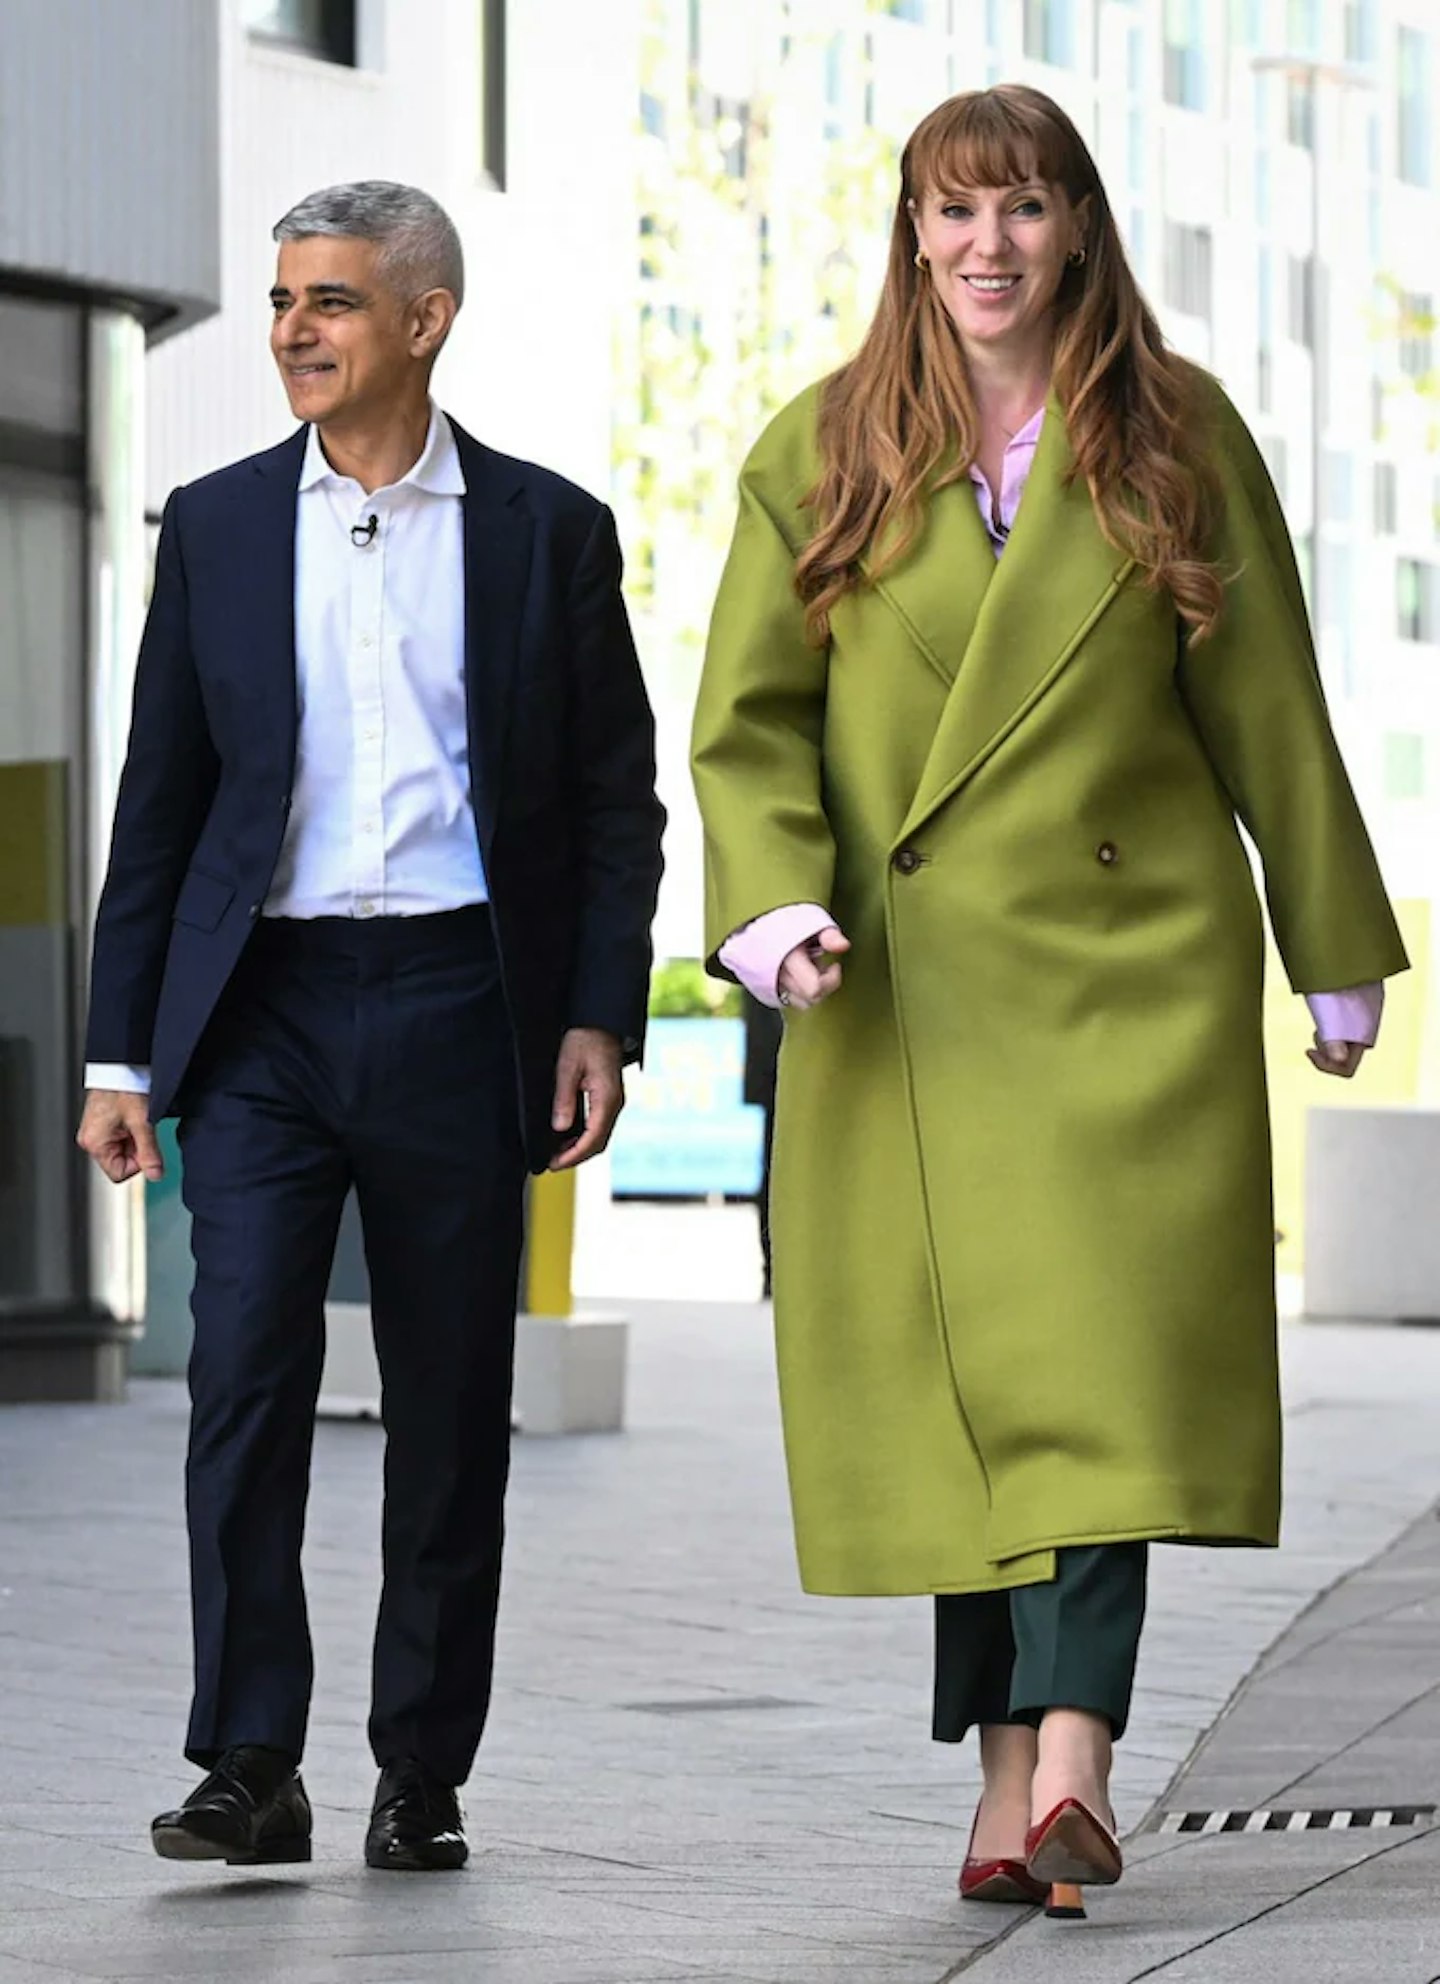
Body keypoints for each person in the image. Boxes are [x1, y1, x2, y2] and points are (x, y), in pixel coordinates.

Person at [690, 86, 1407, 1906]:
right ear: (911, 239)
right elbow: (750, 726)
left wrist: (1329, 944)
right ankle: (1012, 1784)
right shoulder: (824, 447)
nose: (986, 245)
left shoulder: (1173, 440)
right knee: (968, 1391)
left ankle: (1074, 1749)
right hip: (907, 995)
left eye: (1020, 208)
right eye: (952, 212)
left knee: (1094, 1373)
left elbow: (1274, 707)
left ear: (1077, 226)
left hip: (1129, 979)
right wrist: (774, 915)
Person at [77, 181, 665, 1872]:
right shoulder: (216, 524)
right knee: (243, 1382)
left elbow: (613, 809)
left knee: (449, 1403)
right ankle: (250, 1759)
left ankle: (421, 1766)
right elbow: (164, 807)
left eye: (331, 301)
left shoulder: (549, 534)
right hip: (260, 1014)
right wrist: (126, 1054)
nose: (292, 331)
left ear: (426, 317)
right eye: (280, 301)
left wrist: (595, 1018)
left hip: (458, 1002)